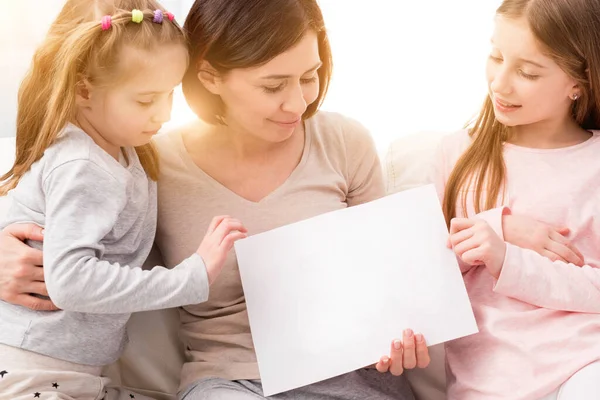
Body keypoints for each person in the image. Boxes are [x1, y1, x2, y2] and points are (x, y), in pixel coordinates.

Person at [0, 0, 429, 399]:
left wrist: (402, 329)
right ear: (209, 77)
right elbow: (69, 225)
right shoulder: (151, 164)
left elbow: (388, 278)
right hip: (228, 382)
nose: (298, 102)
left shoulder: (344, 142)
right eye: (273, 85)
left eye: (309, 76)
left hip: (350, 372)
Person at [0, 1, 246, 398]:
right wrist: (190, 278)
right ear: (84, 90)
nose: (163, 114)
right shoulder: (81, 164)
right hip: (31, 375)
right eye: (146, 100)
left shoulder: (125, 150)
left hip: (76, 377)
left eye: (170, 95)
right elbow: (70, 281)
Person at [432, 0, 600, 398]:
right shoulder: (458, 154)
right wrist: (496, 227)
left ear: (579, 81)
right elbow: (426, 277)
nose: (500, 83)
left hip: (586, 364)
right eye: (495, 56)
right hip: (493, 378)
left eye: (526, 72)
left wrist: (509, 259)